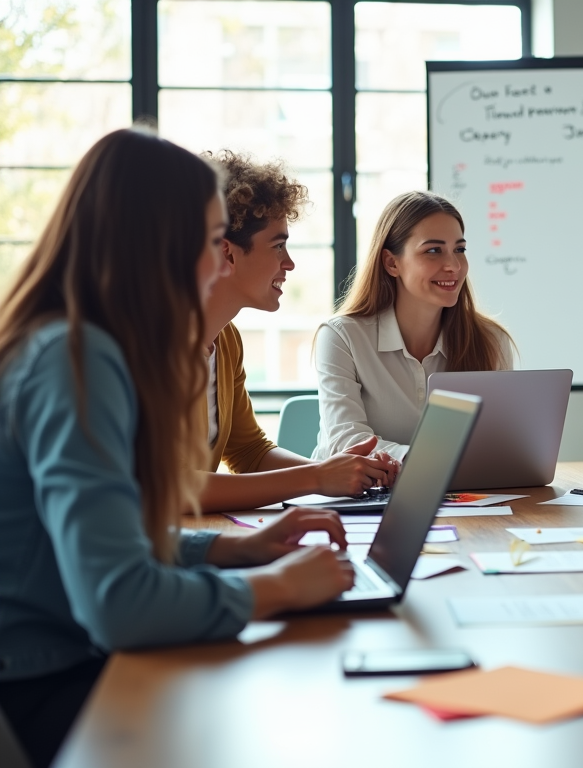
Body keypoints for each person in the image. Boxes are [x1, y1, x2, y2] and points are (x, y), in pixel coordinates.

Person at [0, 129, 355, 767]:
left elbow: (120, 532)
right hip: (37, 677)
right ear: (161, 244)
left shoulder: (78, 341)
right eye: (209, 240)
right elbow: (120, 603)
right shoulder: (76, 359)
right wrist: (274, 588)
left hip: (57, 652)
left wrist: (230, 546)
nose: (219, 261)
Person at [197, 151, 396, 512]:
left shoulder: (225, 340)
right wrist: (316, 479)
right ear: (227, 253)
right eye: (278, 246)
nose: (288, 262)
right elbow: (167, 487)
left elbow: (248, 452)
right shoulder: (146, 347)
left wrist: (342, 473)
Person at [313, 191, 515, 460]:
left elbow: (497, 443)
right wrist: (427, 462)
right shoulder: (342, 337)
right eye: (433, 251)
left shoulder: (491, 340)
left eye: (459, 249)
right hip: (351, 497)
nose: (453, 265)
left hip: (457, 498)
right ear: (391, 262)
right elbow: (349, 442)